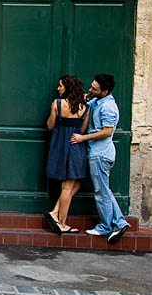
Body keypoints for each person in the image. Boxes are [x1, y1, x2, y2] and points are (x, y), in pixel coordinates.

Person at [72, 73, 129, 243]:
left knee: (101, 191)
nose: (90, 89)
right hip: (97, 153)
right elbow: (86, 107)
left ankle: (107, 226)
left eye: (94, 89)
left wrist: (83, 138)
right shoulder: (97, 101)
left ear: (104, 92)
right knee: (104, 190)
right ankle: (119, 222)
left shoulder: (108, 107)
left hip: (100, 153)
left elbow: (107, 131)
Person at [44, 74, 88, 235]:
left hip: (59, 145)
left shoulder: (57, 104)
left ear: (67, 88)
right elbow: (82, 130)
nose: (58, 88)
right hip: (75, 145)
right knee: (70, 185)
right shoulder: (85, 108)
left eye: (60, 86)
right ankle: (61, 221)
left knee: (71, 185)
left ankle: (57, 217)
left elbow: (50, 125)